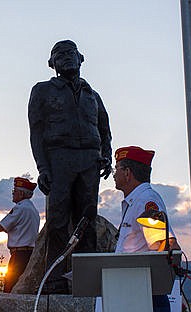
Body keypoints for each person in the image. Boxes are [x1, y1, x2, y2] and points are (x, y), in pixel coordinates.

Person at [28, 39, 112, 293]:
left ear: (80, 58)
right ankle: (54, 280)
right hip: (59, 158)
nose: (65, 57)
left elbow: (104, 129)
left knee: (86, 220)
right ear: (52, 63)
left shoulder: (93, 95)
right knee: (57, 221)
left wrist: (106, 155)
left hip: (89, 160)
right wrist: (43, 167)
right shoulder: (42, 90)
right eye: (59, 54)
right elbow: (36, 131)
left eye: (70, 52)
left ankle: (84, 280)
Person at [113, 146, 181, 312]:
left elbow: (165, 244)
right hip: (134, 290)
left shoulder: (146, 200)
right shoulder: (135, 201)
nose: (114, 175)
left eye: (117, 169)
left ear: (128, 173)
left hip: (146, 295)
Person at [0, 177, 40, 293]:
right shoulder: (34, 210)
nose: (13, 194)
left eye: (14, 192)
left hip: (19, 256)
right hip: (30, 254)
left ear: (21, 193)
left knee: (9, 290)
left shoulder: (20, 208)